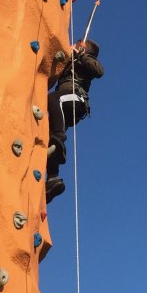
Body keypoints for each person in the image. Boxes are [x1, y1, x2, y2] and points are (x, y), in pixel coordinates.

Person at [45, 39, 104, 203]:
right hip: (66, 106)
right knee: (49, 138)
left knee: (53, 99)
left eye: (76, 45)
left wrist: (82, 55)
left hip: (75, 99)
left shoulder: (88, 60)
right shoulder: (71, 60)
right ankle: (53, 178)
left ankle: (59, 136)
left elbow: (99, 71)